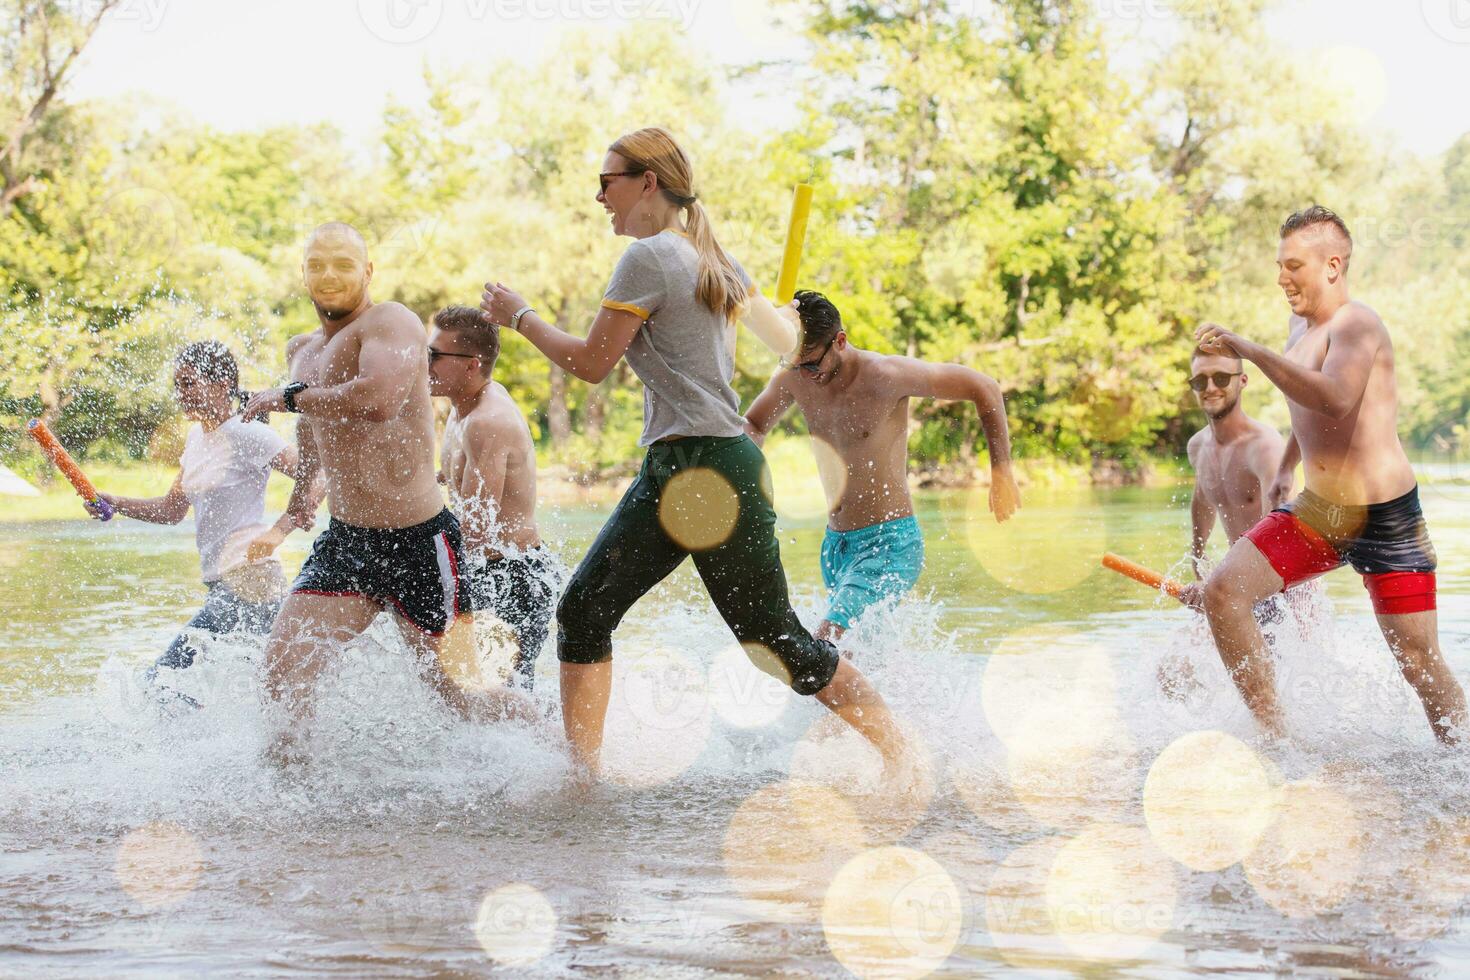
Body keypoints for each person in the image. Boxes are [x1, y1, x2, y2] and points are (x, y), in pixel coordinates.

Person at [479, 127, 912, 779]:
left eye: (607, 181)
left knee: (769, 640)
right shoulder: (712, 258)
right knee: (592, 611)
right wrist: (791, 321)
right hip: (706, 465)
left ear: (647, 182)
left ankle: (905, 754)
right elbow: (788, 345)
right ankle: (582, 781)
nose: (600, 198)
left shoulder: (651, 258)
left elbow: (592, 364)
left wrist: (519, 316)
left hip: (702, 469)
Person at [243, 223, 532, 765]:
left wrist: (288, 398)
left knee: (462, 697)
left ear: (368, 272)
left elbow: (378, 398)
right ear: (302, 273)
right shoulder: (301, 351)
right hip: (347, 541)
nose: (329, 276)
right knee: (282, 679)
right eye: (317, 264)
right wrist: (297, 505)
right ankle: (290, 803)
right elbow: (311, 434)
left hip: (419, 542)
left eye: (344, 264)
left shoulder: (390, 321)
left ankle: (562, 750)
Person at [1195, 206, 1467, 743]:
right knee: (1223, 595)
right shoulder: (1299, 325)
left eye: (1293, 266)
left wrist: (1247, 348)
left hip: (1386, 516)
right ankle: (1279, 744)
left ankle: (1462, 762)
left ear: (1332, 266)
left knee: (1417, 662)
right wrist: (1290, 463)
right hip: (1322, 511)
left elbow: (1338, 398)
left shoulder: (1357, 324)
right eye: (1279, 265)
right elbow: (1306, 401)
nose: (1281, 278)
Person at [743, 290, 1020, 645]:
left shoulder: (887, 375)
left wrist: (1002, 472)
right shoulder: (796, 375)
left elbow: (985, 387)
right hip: (836, 546)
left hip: (890, 543)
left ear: (839, 341)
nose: (804, 375)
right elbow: (753, 424)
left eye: (811, 365)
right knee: (862, 655)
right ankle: (911, 700)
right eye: (794, 364)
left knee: (825, 644)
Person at [88, 341, 316, 692]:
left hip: (251, 582)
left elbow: (317, 474)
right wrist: (114, 501)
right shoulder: (196, 438)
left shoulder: (247, 431)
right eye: (177, 385)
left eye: (189, 383)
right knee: (235, 692)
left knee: (161, 682)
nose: (180, 394)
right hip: (220, 588)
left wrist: (279, 531)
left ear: (223, 384)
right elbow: (171, 509)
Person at [427, 305, 564, 691]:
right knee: (479, 700)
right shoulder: (464, 406)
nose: (426, 365)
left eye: (435, 356)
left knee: (503, 701)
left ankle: (565, 750)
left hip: (512, 577)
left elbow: (475, 529)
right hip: (490, 570)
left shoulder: (487, 421)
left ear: (471, 365)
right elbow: (460, 480)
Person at [1175, 346, 1288, 608]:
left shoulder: (1264, 446)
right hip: (1242, 581)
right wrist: (1200, 570)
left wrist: (1220, 585)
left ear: (1243, 380)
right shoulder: (1197, 447)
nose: (1210, 387)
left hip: (1284, 584)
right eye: (1200, 381)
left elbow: (1280, 525)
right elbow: (1203, 501)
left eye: (1221, 378)